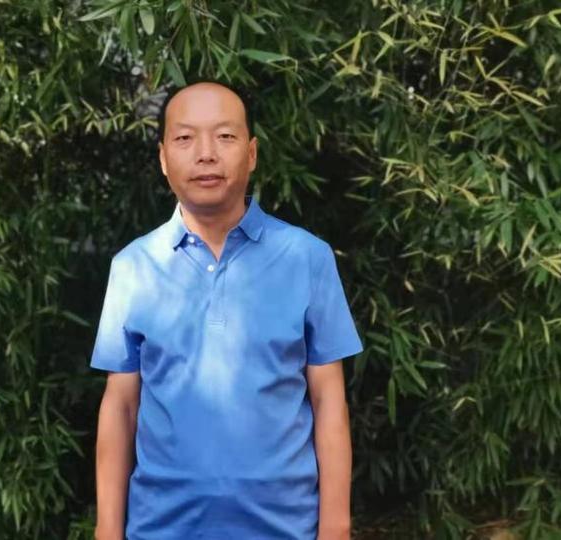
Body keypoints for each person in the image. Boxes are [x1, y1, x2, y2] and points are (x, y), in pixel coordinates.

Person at [90, 80, 363, 540]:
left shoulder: (306, 258)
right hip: (161, 528)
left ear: (251, 154)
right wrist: (107, 528)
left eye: (225, 136)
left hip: (285, 527)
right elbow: (121, 405)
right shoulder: (133, 266)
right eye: (185, 137)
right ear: (163, 158)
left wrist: (335, 526)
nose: (206, 154)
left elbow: (328, 399)